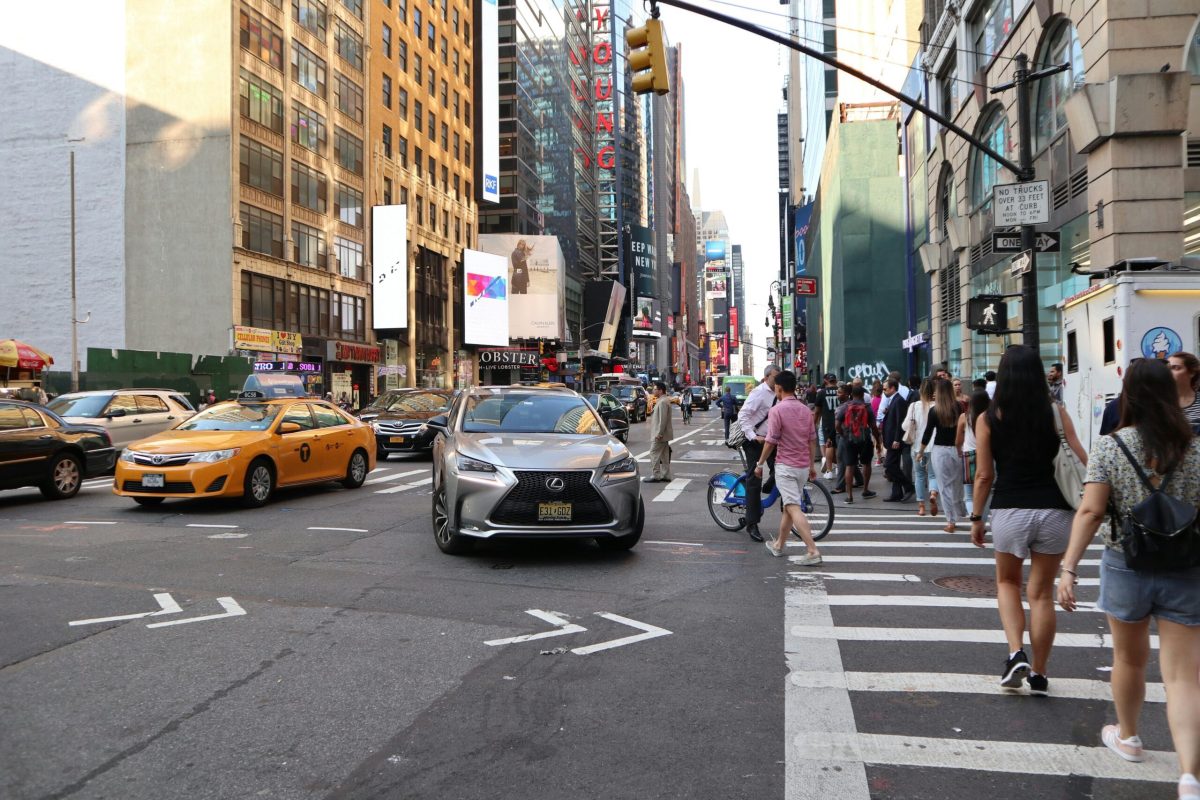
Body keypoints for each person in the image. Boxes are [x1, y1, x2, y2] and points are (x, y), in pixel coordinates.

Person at [1056, 359, 1200, 799]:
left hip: (1125, 563)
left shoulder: (1111, 446)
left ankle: (1130, 737)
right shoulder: (1194, 448)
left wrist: (1069, 567)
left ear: (1129, 396)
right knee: (1184, 678)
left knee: (1130, 659)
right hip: (1185, 566)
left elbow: (1091, 511)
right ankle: (1190, 775)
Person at [971, 345, 1087, 695]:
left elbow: (984, 475)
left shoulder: (989, 418)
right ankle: (1039, 672)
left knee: (1007, 583)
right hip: (1054, 510)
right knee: (1040, 595)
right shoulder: (1055, 411)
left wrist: (976, 516)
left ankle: (1015, 652)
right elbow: (1082, 458)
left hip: (1009, 510)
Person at [754, 370, 823, 564]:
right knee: (788, 508)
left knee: (792, 506)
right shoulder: (804, 410)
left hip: (785, 466)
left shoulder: (777, 410)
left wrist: (759, 464)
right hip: (802, 467)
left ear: (779, 388)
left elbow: (771, 441)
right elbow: (811, 440)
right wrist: (811, 466)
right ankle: (778, 545)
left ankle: (812, 550)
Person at [738, 365, 782, 542]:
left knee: (781, 469)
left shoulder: (781, 393)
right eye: (775, 377)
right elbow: (743, 415)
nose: (777, 381)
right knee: (754, 479)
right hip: (755, 441)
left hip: (772, 440)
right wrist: (753, 436)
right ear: (766, 377)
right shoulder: (758, 393)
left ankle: (769, 488)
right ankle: (752, 523)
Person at [918, 378, 965, 531]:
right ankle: (959, 510)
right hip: (957, 449)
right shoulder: (958, 407)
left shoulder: (934, 410)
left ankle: (951, 521)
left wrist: (920, 451)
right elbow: (964, 428)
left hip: (939, 450)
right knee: (957, 483)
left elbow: (927, 433)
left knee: (944, 486)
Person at [835, 385, 881, 504]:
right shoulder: (867, 407)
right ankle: (865, 490)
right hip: (864, 439)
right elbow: (873, 427)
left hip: (849, 439)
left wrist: (843, 434)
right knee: (866, 464)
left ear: (851, 394)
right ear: (862, 395)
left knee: (849, 466)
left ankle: (849, 496)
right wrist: (878, 442)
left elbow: (837, 425)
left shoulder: (845, 407)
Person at [905, 378, 939, 517]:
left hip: (917, 446)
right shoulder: (938, 406)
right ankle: (932, 493)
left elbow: (905, 426)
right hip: (934, 445)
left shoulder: (914, 406)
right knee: (933, 475)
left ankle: (921, 507)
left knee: (919, 476)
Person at [957, 388, 990, 514]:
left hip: (968, 455)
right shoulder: (990, 417)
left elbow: (958, 440)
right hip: (986, 455)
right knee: (984, 494)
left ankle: (973, 518)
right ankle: (981, 520)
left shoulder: (964, 417)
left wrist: (959, 450)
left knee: (969, 494)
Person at [881, 378, 914, 502]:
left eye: (885, 389)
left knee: (889, 465)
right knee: (892, 465)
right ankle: (896, 493)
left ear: (892, 388)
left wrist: (896, 439)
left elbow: (900, 422)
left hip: (895, 441)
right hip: (891, 440)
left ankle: (909, 486)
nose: (883, 391)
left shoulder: (898, 400)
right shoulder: (894, 400)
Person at [644, 381, 673, 483]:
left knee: (653, 453)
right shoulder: (663, 400)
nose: (653, 391)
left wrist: (659, 433)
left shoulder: (663, 402)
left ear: (660, 390)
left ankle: (656, 475)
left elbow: (663, 419)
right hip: (663, 434)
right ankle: (666, 475)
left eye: (655, 389)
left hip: (660, 434)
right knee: (664, 455)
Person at [817, 373, 842, 479]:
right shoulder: (841, 391)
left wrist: (815, 423)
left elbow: (817, 410)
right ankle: (839, 468)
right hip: (840, 421)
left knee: (829, 445)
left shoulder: (822, 393)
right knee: (838, 445)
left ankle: (829, 470)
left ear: (825, 381)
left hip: (827, 422)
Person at [1168, 351, 1200, 432]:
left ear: (1192, 372)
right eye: (1167, 368)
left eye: (1176, 368)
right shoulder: (1159, 402)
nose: (1169, 372)